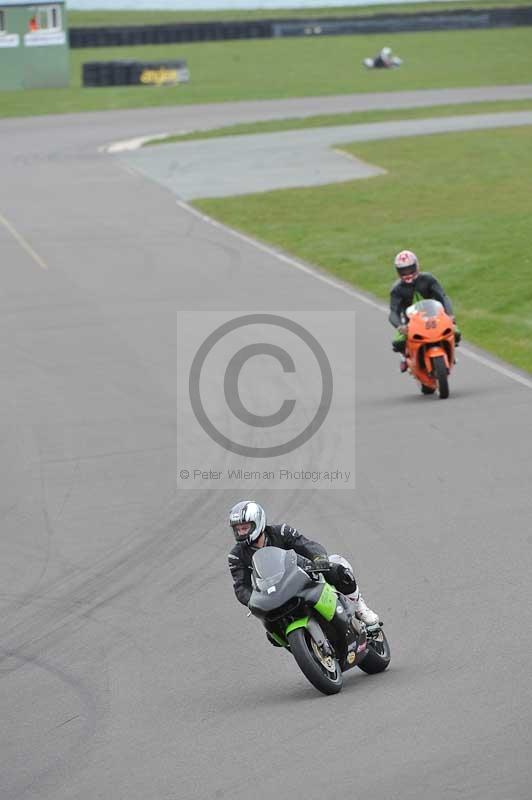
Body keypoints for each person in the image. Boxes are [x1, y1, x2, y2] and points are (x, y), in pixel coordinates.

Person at [227, 500, 380, 633]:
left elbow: (307, 545)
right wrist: (251, 600)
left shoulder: (281, 532)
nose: (241, 533)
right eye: (237, 529)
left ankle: (360, 608)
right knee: (270, 631)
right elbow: (241, 586)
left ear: (258, 522)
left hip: (300, 577)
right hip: (272, 595)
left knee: (337, 568)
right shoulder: (236, 556)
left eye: (244, 528)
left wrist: (319, 558)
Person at [389, 249, 461, 371]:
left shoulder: (428, 279)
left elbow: (443, 296)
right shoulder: (396, 290)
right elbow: (393, 312)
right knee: (397, 342)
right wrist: (400, 326)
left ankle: (451, 352)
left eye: (410, 269)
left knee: (456, 332)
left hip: (435, 317)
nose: (407, 273)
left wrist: (450, 314)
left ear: (417, 266)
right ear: (398, 272)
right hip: (410, 324)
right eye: (403, 271)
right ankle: (405, 357)